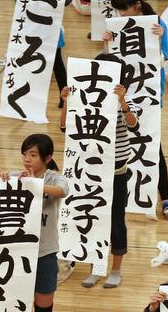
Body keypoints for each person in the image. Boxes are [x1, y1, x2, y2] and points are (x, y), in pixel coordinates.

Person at [60, 53, 140, 289]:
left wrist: (123, 101)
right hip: (89, 170)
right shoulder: (83, 100)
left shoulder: (125, 99)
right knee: (92, 219)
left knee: (115, 220)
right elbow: (65, 126)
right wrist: (66, 101)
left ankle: (116, 270)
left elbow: (134, 124)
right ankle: (97, 266)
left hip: (115, 172)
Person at [0, 135, 69, 312]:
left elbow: (63, 190)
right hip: (19, 255)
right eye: (25, 154)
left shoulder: (53, 178)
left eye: (33, 155)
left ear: (47, 158)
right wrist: (7, 180)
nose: (27, 160)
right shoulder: (19, 177)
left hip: (45, 256)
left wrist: (32, 185)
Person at [105, 0, 168, 221]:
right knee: (126, 143)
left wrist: (158, 40)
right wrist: (108, 42)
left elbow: (164, 57)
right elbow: (111, 59)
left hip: (149, 93)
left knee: (152, 144)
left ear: (137, 6)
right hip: (124, 94)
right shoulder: (120, 25)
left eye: (124, 9)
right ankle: (121, 197)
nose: (120, 14)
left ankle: (165, 199)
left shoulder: (157, 23)